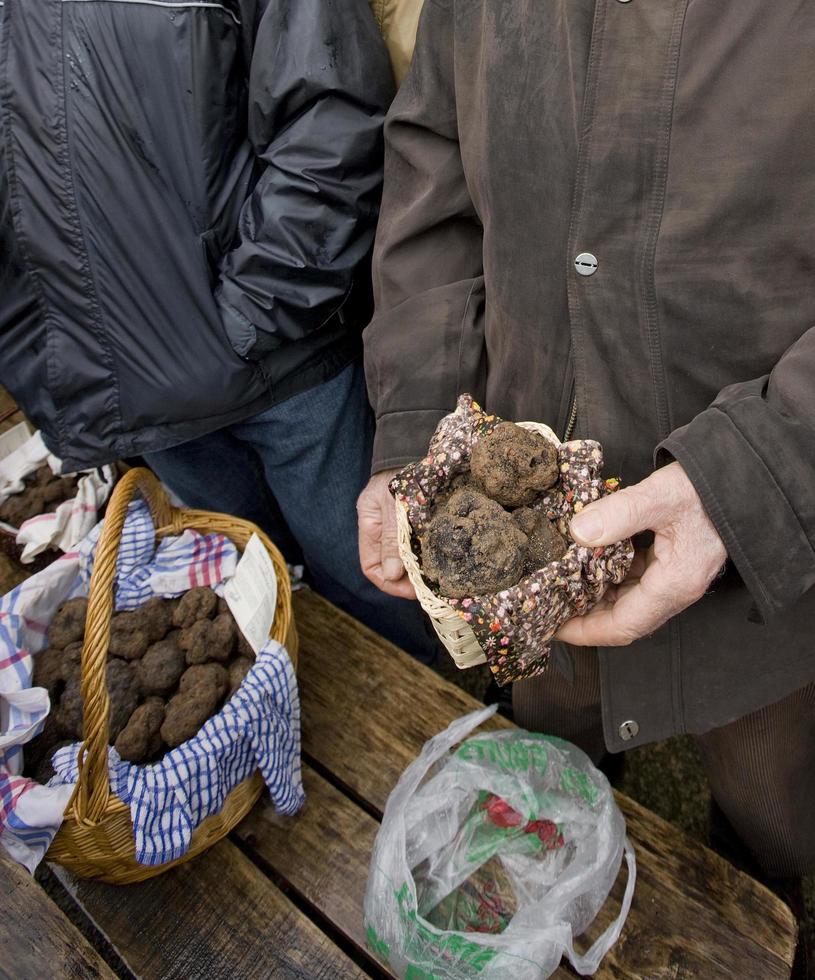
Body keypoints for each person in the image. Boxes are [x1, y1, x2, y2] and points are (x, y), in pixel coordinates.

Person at [358, 0, 815, 964]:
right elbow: (431, 167)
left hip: (771, 577)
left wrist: (765, 465)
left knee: (770, 817)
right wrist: (416, 429)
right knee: (552, 776)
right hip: (534, 560)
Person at [0, 0, 438, 663]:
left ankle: (434, 718)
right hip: (135, 401)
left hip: (284, 370)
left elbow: (330, 114)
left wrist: (253, 314)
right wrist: (49, 365)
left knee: (372, 581)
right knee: (247, 603)